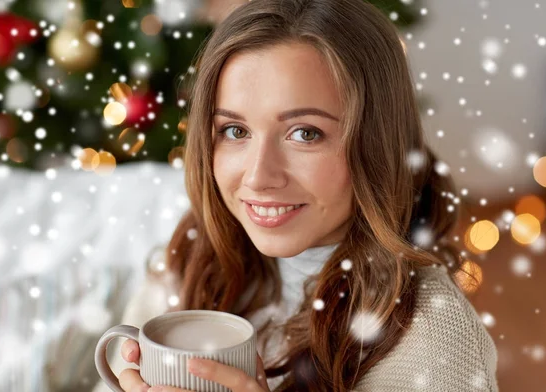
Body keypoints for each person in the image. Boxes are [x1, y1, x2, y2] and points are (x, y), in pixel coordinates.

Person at [93, 0, 499, 391]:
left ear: (376, 144)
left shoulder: (434, 343)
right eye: (235, 131)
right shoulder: (195, 259)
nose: (258, 176)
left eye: (305, 133)